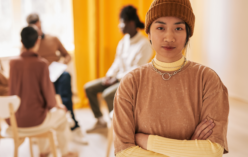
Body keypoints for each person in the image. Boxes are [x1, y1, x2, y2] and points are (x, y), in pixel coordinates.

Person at [113, 0, 229, 156]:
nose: (169, 37)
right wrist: (189, 150)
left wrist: (147, 141)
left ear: (188, 33)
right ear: (149, 33)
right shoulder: (131, 82)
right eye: (160, 27)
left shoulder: (208, 79)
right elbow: (123, 151)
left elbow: (213, 150)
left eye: (178, 28)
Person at [8, 26, 78, 157]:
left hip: (15, 119)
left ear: (21, 42)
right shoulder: (41, 64)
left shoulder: (13, 63)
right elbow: (50, 100)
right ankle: (65, 153)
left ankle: (44, 151)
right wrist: (59, 107)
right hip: (35, 121)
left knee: (40, 111)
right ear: (38, 41)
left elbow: (11, 91)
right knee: (60, 114)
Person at [84, 5, 153, 133]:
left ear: (131, 23)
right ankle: (100, 120)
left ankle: (118, 127)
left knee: (108, 95)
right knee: (89, 88)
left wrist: (116, 78)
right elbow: (117, 62)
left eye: (122, 22)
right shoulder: (123, 41)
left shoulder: (144, 44)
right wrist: (109, 75)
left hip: (132, 81)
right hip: (116, 78)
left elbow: (136, 70)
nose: (119, 26)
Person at [26, 13, 87, 144]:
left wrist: (62, 65)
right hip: (40, 78)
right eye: (36, 29)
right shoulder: (29, 46)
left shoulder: (53, 39)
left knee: (66, 77)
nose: (39, 31)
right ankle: (41, 127)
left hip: (57, 74)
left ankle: (71, 121)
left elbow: (67, 55)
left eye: (40, 27)